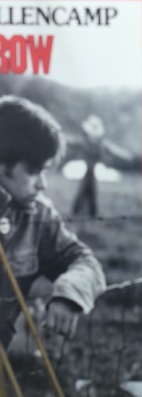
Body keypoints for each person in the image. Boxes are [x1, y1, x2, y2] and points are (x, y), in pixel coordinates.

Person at [0, 95, 106, 349]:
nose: (43, 184)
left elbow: (85, 261)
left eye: (45, 171)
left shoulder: (37, 214)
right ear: (2, 165)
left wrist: (70, 294)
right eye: (34, 171)